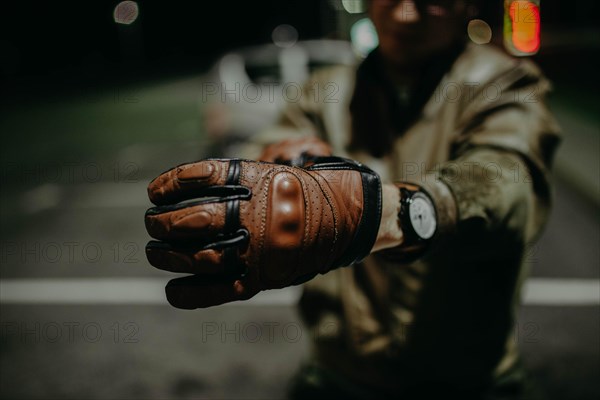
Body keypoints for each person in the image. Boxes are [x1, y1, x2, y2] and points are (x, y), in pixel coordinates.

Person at [144, 1, 561, 398]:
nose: (405, 13)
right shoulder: (325, 89)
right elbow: (269, 148)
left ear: (466, 4)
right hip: (339, 373)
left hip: (470, 380)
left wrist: (397, 213)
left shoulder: (504, 83)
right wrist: (277, 170)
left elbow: (507, 182)